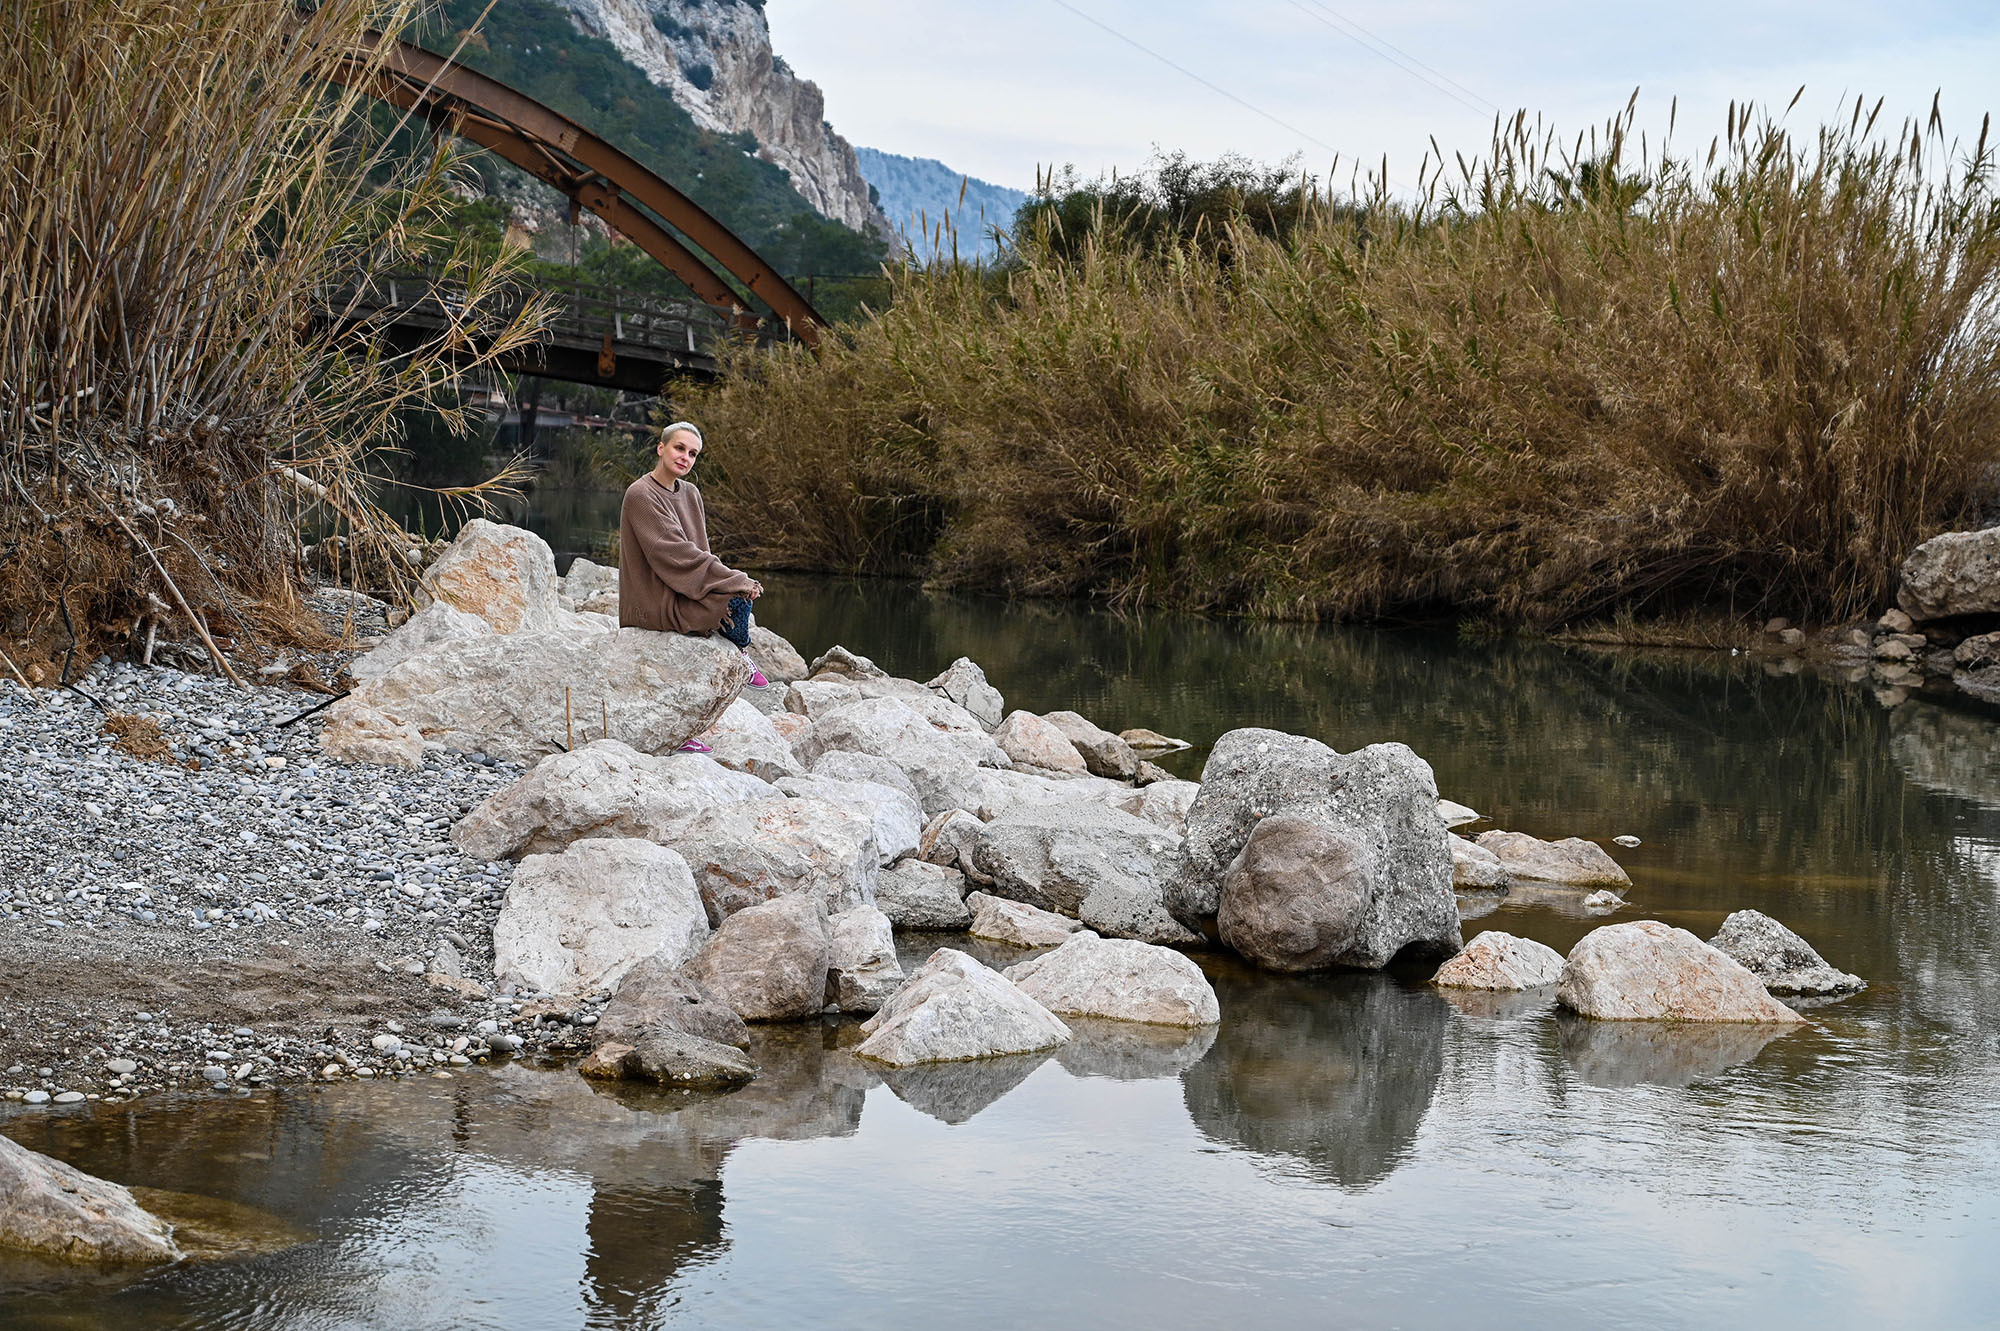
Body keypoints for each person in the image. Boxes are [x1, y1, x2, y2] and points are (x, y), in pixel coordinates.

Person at [617, 421, 768, 749]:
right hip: (652, 598)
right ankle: (740, 656)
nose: (685, 457)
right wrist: (732, 579)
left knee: (736, 596)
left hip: (682, 584)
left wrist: (720, 583)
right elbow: (671, 552)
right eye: (679, 448)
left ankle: (734, 658)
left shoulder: (690, 493)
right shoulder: (640, 494)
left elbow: (700, 549)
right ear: (661, 448)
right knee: (736, 596)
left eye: (693, 453)